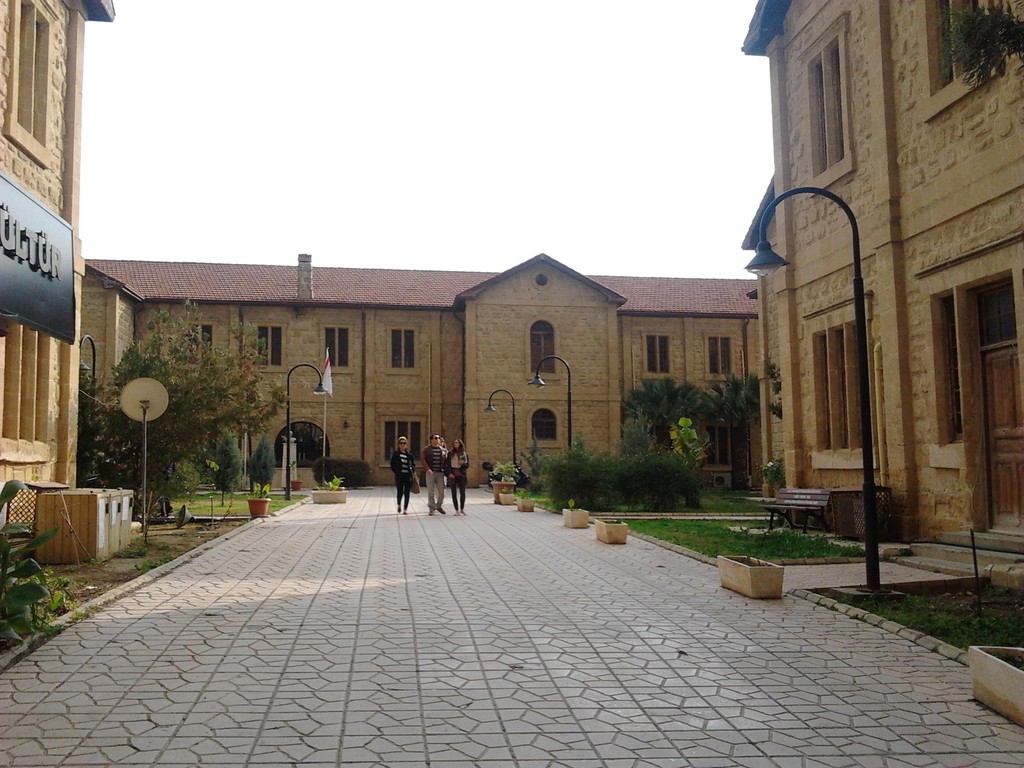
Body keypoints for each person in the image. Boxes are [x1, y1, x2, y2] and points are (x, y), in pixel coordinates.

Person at [421, 433, 447, 515]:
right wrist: (427, 469)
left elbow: (447, 461)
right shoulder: (427, 449)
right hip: (431, 473)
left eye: (438, 438)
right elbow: (423, 460)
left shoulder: (443, 450)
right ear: (431, 440)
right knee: (430, 492)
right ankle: (432, 508)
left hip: (440, 473)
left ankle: (438, 505)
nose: (437, 439)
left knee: (442, 492)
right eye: (435, 438)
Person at [389, 436, 416, 514]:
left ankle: (405, 509)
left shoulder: (410, 455)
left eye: (404, 443)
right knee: (400, 491)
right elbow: (392, 464)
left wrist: (412, 470)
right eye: (401, 443)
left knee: (407, 492)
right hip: (400, 476)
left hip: (407, 476)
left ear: (406, 445)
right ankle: (399, 504)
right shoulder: (395, 454)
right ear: (398, 444)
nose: (402, 445)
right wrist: (396, 471)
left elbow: (413, 464)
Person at [445, 439, 469, 515]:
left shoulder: (463, 453)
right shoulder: (450, 453)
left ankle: (462, 508)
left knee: (462, 492)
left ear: (460, 444)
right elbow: (448, 464)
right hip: (453, 473)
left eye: (457, 442)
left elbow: (467, 465)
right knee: (453, 492)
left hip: (461, 474)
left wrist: (462, 464)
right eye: (454, 442)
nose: (455, 444)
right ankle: (456, 510)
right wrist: (449, 473)